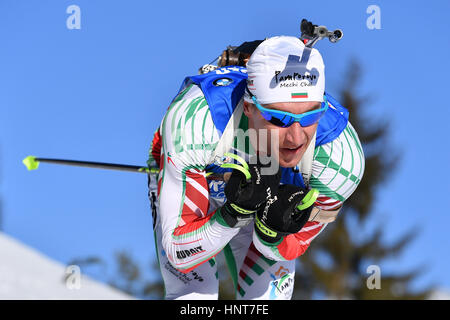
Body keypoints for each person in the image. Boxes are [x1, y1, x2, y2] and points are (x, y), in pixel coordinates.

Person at [147, 36, 364, 300]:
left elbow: (287, 249)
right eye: (279, 118)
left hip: (248, 193)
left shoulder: (339, 160)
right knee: (194, 295)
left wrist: (270, 231)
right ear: (249, 108)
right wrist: (232, 214)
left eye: (310, 116)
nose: (296, 138)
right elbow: (179, 253)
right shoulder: (196, 121)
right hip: (198, 176)